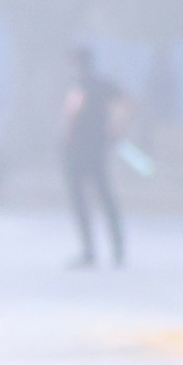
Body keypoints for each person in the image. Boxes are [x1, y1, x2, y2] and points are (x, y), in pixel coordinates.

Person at [60, 44, 127, 269]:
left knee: (89, 200)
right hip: (90, 150)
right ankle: (110, 249)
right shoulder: (93, 86)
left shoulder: (87, 86)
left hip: (85, 151)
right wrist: (115, 126)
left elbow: (70, 119)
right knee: (99, 199)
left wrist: (115, 126)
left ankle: (97, 250)